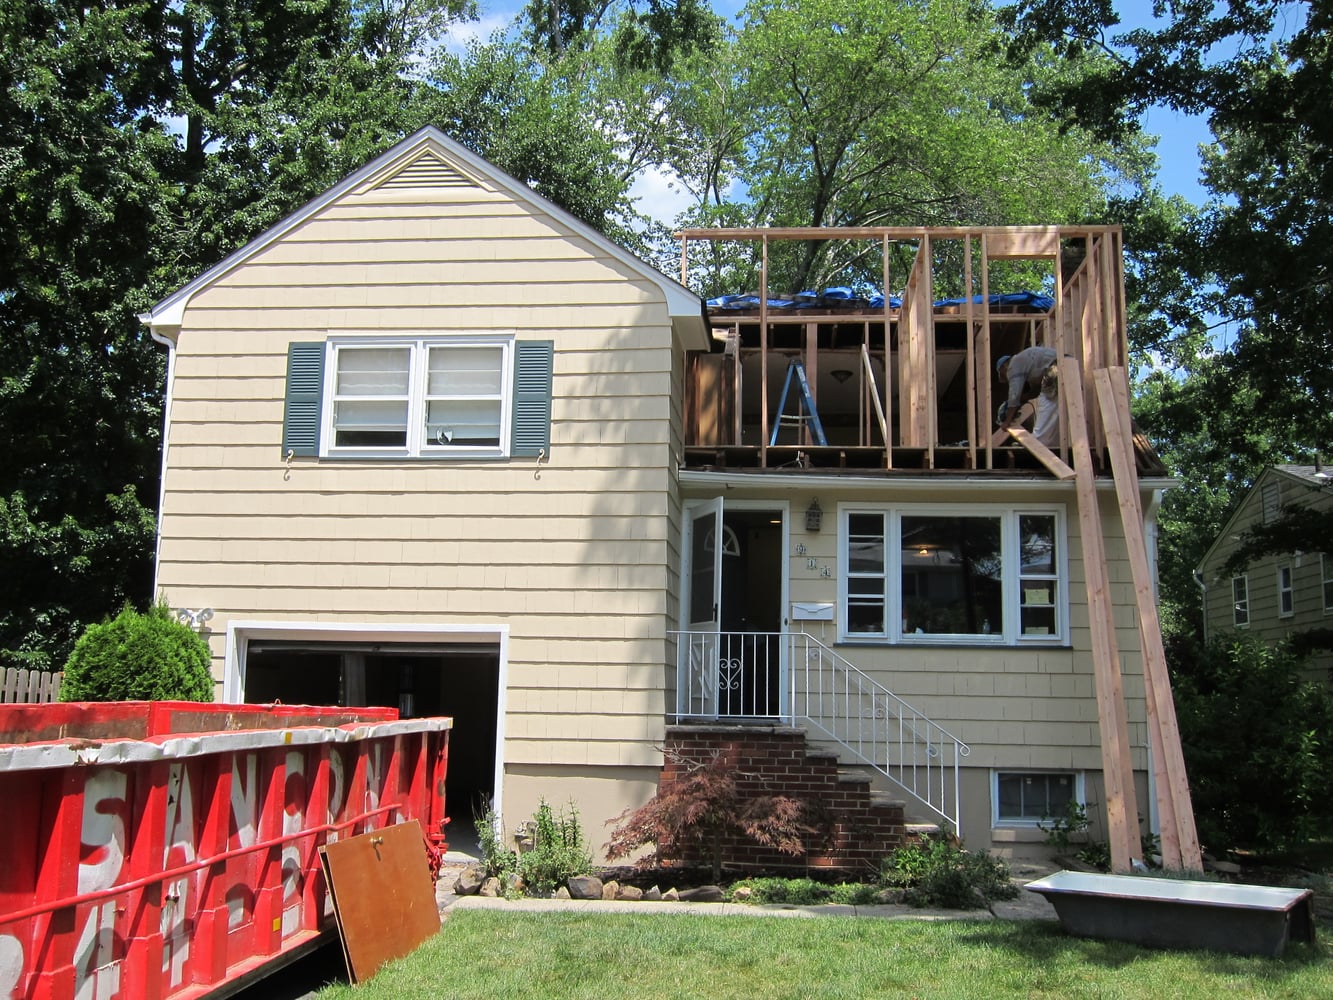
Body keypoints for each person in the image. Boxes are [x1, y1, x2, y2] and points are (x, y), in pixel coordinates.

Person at [995, 346, 1059, 447]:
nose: (1007, 378)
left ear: (1004, 367)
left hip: (1054, 368)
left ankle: (1038, 441)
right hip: (1067, 364)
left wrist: (1007, 421)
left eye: (1003, 374)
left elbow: (1014, 396)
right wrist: (1023, 399)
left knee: (1046, 401)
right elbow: (1036, 391)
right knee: (1058, 406)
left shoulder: (1013, 366)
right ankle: (1051, 443)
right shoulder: (1025, 362)